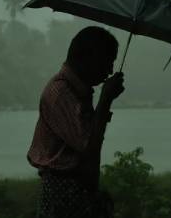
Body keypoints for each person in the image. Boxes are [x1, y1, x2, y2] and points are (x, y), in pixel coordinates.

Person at [28, 26, 126, 218]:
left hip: (76, 190)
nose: (110, 70)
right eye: (107, 61)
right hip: (63, 193)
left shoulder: (79, 92)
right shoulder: (61, 94)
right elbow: (88, 145)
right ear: (87, 59)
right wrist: (105, 100)